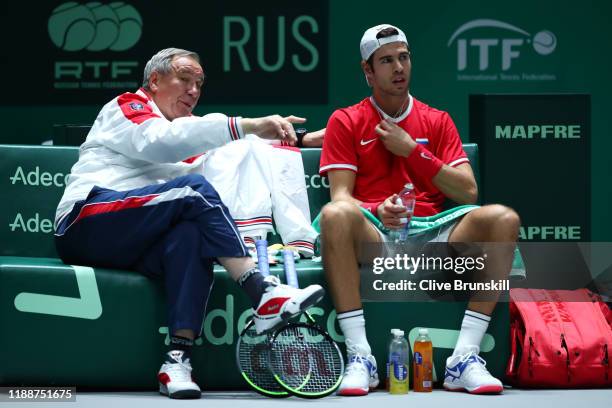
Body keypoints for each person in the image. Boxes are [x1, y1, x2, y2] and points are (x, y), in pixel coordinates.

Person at [53, 48, 324, 399]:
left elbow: (233, 145)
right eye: (184, 79)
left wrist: (298, 139)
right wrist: (248, 123)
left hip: (135, 239)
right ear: (154, 81)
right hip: (86, 220)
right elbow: (160, 142)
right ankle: (261, 290)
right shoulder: (127, 107)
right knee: (193, 190)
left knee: (191, 236)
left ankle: (177, 359)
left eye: (199, 83)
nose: (194, 90)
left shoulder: (189, 131)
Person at [318, 25, 520, 395]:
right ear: (368, 71)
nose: (399, 67)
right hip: (376, 235)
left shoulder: (437, 120)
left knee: (503, 219)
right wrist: (377, 209)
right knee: (335, 216)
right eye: (387, 60)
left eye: (404, 57)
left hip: (436, 236)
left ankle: (464, 357)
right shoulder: (345, 121)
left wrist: (413, 151)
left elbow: (468, 190)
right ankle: (360, 356)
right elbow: (341, 198)